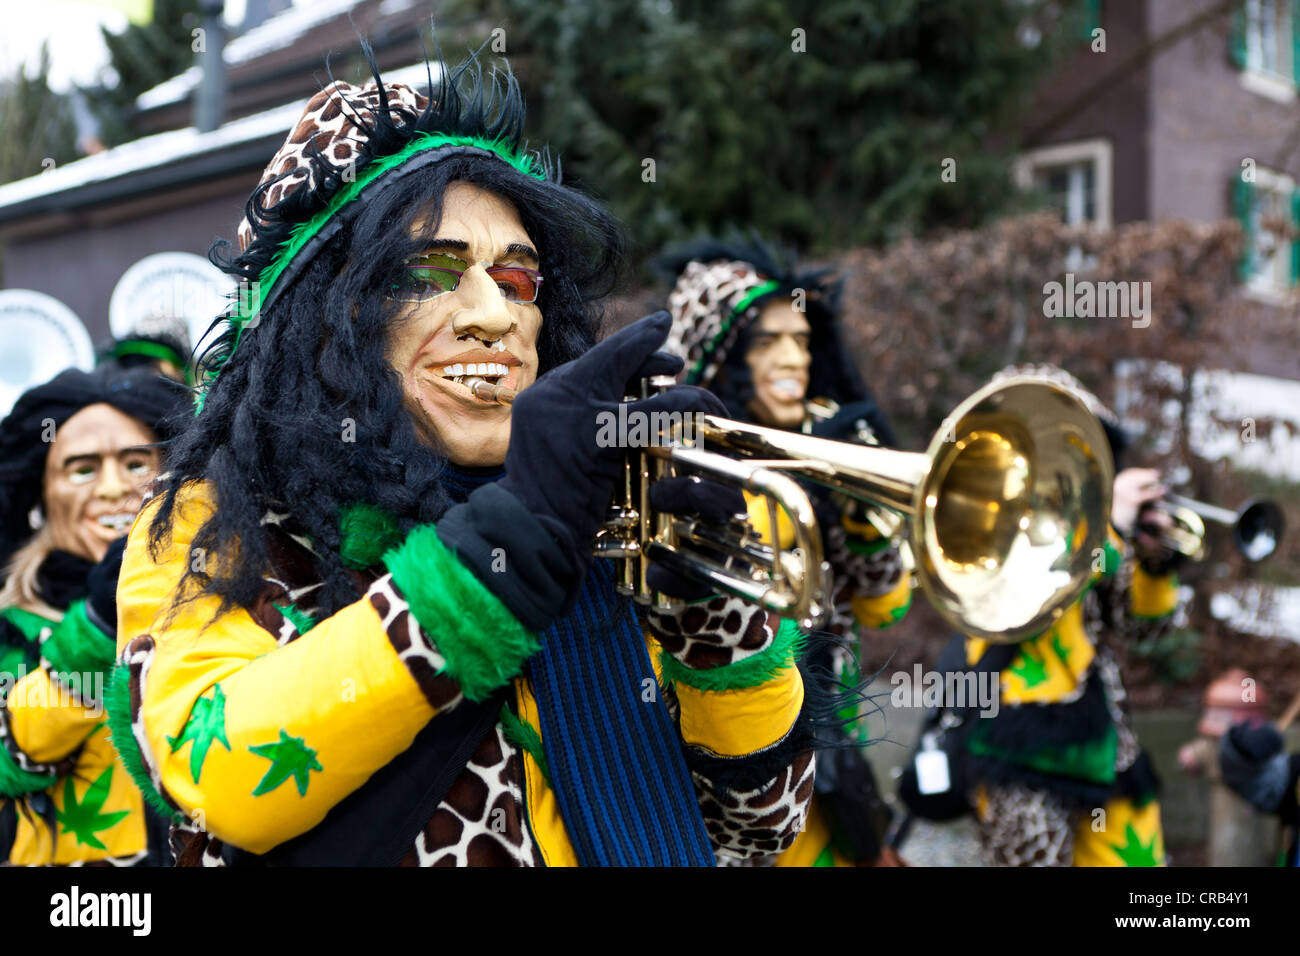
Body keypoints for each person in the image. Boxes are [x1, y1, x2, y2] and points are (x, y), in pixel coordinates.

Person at [107, 51, 815, 867]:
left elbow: (757, 831)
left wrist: (714, 627)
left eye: (518, 279)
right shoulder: (211, 516)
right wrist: (501, 556)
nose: (494, 315)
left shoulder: (609, 515)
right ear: (325, 319)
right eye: (431, 271)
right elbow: (217, 778)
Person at [662, 238, 911, 866]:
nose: (794, 357)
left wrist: (861, 509)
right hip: (730, 782)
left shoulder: (829, 452)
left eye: (801, 341)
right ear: (719, 351)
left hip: (831, 759)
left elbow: (888, 608)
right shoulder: (683, 476)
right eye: (768, 341)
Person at [945, 364, 1183, 867]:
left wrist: (1159, 565)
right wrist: (1111, 528)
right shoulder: (984, 519)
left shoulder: (1095, 530)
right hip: (1013, 733)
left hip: (1103, 737)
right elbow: (1035, 589)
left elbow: (1142, 629)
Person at [0, 364, 182, 865]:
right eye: (82, 468)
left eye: (136, 463)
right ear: (42, 495)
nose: (111, 488)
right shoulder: (9, 626)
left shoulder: (231, 602)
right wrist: (100, 623)